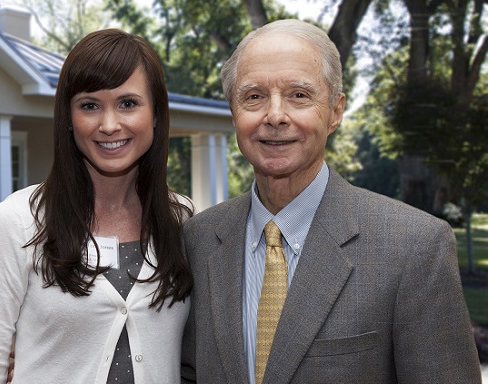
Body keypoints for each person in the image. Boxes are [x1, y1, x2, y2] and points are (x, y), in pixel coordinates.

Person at [180, 19, 481, 383]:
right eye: (254, 96)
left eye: (299, 95)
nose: (275, 115)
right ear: (234, 111)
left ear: (335, 111)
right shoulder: (199, 238)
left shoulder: (415, 246)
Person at [0, 28, 194, 384]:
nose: (109, 125)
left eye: (128, 103)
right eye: (89, 105)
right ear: (68, 118)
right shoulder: (18, 220)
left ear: (157, 115)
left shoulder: (183, 219)